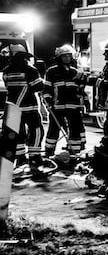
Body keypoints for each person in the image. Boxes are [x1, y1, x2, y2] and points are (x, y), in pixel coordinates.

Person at [2, 44, 45, 173]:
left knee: (17, 133)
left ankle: (20, 158)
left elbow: (9, 87)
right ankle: (34, 157)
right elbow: (38, 86)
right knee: (36, 130)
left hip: (13, 108)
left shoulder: (6, 71)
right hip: (29, 107)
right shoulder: (30, 70)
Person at [42, 44, 86, 165]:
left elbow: (80, 89)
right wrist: (48, 102)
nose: (67, 58)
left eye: (68, 56)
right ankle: (49, 152)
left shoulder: (75, 72)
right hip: (57, 107)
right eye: (64, 56)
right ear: (59, 58)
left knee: (75, 130)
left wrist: (81, 101)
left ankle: (74, 154)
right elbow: (46, 89)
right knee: (53, 130)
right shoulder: (51, 72)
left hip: (73, 107)